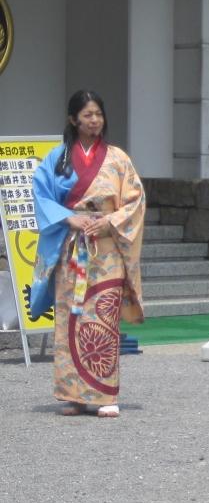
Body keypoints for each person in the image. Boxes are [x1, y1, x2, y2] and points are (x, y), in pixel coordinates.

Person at [30, 90, 145, 418]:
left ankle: (105, 393)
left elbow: (135, 201)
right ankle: (74, 395)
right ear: (73, 119)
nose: (95, 120)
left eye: (98, 114)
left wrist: (109, 221)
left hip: (106, 250)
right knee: (71, 318)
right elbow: (41, 195)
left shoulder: (118, 159)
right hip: (72, 246)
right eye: (87, 115)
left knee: (102, 317)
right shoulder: (58, 159)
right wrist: (70, 219)